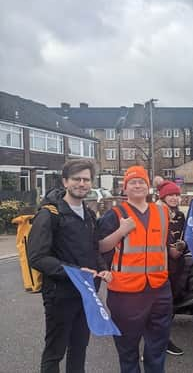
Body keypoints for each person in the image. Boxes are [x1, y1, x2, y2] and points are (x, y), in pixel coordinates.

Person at [28, 159, 111, 373]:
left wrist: (103, 268)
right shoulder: (49, 214)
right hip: (59, 295)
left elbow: (93, 250)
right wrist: (73, 273)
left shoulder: (90, 215)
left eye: (86, 179)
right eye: (76, 179)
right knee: (55, 351)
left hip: (86, 293)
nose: (82, 183)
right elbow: (37, 257)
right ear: (65, 181)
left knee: (79, 347)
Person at [98, 166, 182, 373]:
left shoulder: (162, 212)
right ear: (124, 188)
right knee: (128, 349)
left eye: (142, 181)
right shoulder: (114, 214)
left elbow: (164, 245)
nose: (137, 185)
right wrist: (121, 231)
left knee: (157, 346)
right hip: (125, 293)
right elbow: (100, 246)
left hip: (158, 290)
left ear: (149, 187)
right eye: (132, 182)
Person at [156, 180, 187, 356]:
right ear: (163, 197)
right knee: (160, 308)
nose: (174, 198)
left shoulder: (180, 215)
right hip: (161, 266)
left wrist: (183, 245)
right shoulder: (156, 213)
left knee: (170, 306)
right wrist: (169, 250)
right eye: (170, 195)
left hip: (177, 265)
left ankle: (162, 340)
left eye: (176, 194)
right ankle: (159, 343)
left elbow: (184, 236)